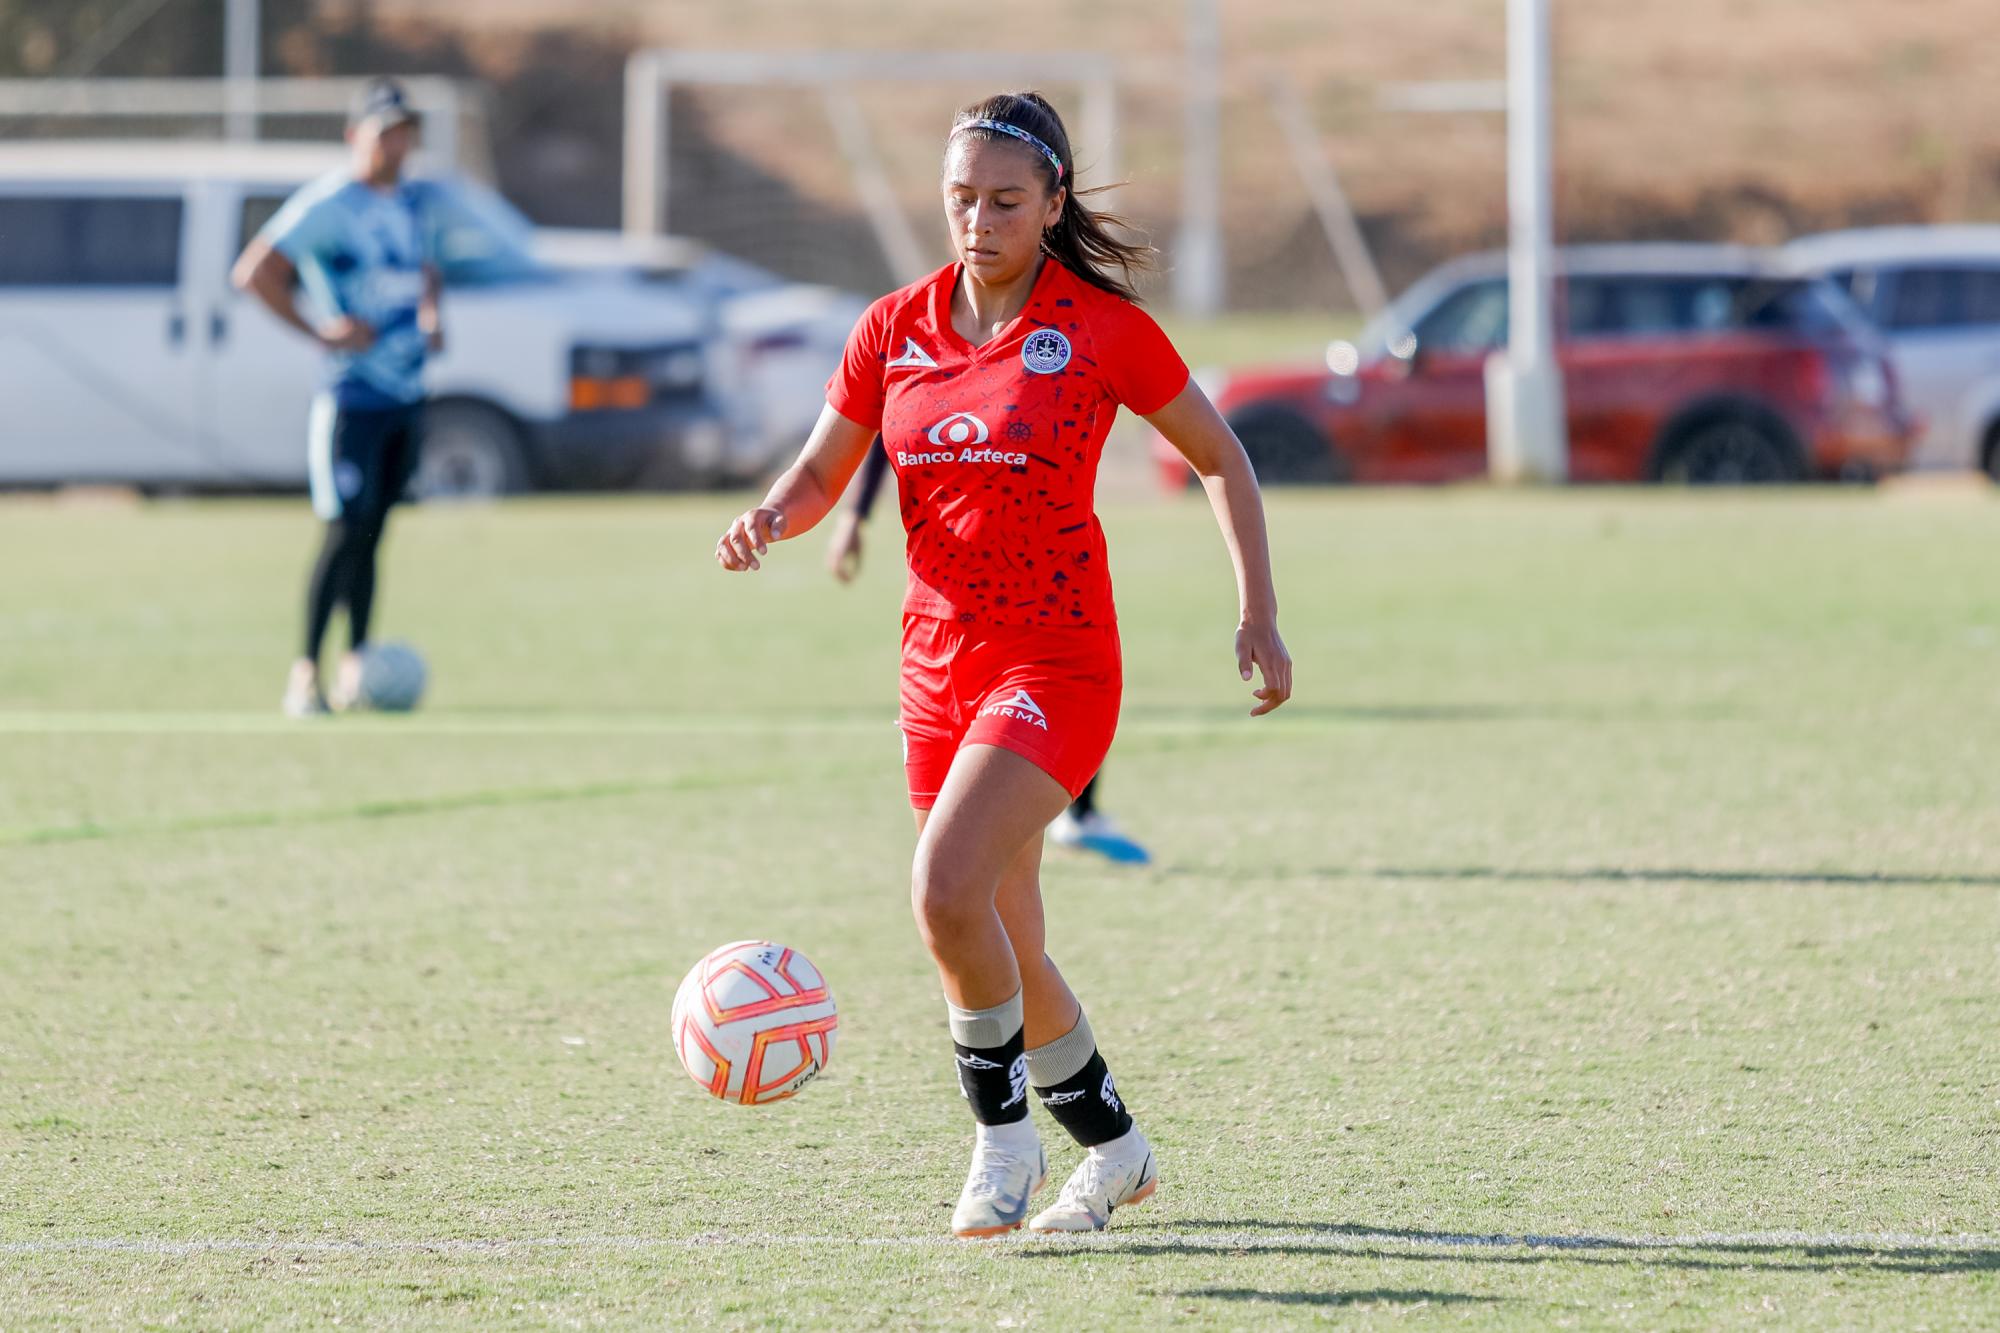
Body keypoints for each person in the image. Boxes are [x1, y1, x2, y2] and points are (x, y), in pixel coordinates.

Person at [717, 91, 1291, 1238]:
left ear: (1051, 205)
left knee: (940, 891)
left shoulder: (1096, 328)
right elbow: (826, 467)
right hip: (932, 663)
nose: (976, 220)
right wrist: (772, 518)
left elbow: (1222, 457)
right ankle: (1120, 1155)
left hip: (1056, 661)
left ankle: (1001, 1142)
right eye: (959, 199)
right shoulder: (892, 326)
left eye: (1002, 201)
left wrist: (1256, 615)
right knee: (1006, 938)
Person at [827, 439, 1152, 865]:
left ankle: (1079, 813)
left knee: (1061, 678)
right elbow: (879, 423)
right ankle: (1068, 818)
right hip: (956, 598)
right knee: (952, 870)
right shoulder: (899, 375)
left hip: (1044, 590)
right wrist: (855, 514)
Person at [233, 78, 442, 718]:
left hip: (405, 393)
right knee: (343, 531)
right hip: (352, 397)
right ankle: (305, 673)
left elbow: (424, 271)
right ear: (356, 136)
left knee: (375, 532)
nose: (397, 144)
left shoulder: (411, 203)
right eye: (385, 132)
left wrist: (434, 314)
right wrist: (319, 331)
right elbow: (255, 271)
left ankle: (358, 665)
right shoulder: (329, 204)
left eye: (405, 132)